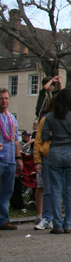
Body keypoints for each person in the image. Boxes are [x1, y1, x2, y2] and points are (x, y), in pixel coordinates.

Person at [40, 89, 71, 233]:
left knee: (55, 189)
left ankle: (57, 224)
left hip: (55, 152)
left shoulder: (51, 116)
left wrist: (56, 136)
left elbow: (44, 136)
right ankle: (68, 223)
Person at [0, 88, 24, 230]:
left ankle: (3, 220)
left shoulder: (11, 118)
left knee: (7, 191)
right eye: (2, 98)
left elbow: (15, 139)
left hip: (10, 160)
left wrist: (18, 157)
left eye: (6, 98)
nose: (4, 101)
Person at [32, 101, 55, 230]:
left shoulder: (70, 117)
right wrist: (38, 160)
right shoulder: (45, 119)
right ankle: (47, 217)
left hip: (62, 155)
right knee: (47, 188)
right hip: (47, 155)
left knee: (63, 189)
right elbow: (38, 141)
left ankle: (60, 217)